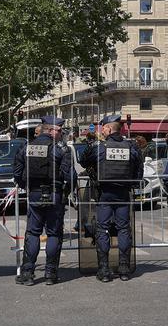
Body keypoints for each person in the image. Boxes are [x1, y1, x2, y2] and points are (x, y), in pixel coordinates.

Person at [79, 114, 143, 282]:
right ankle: (123, 268)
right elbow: (139, 170)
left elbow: (83, 161)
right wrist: (132, 185)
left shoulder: (99, 147)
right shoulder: (132, 146)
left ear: (108, 128)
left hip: (105, 193)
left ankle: (104, 269)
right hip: (123, 193)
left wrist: (91, 145)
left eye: (103, 128)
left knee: (103, 229)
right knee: (123, 229)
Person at [13, 116, 72, 285]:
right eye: (59, 131)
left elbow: (17, 173)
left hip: (34, 194)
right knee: (53, 233)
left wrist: (28, 186)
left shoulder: (26, 147)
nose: (61, 134)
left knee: (33, 233)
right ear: (50, 130)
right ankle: (51, 274)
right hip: (55, 194)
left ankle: (27, 274)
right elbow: (70, 176)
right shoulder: (62, 150)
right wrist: (64, 191)